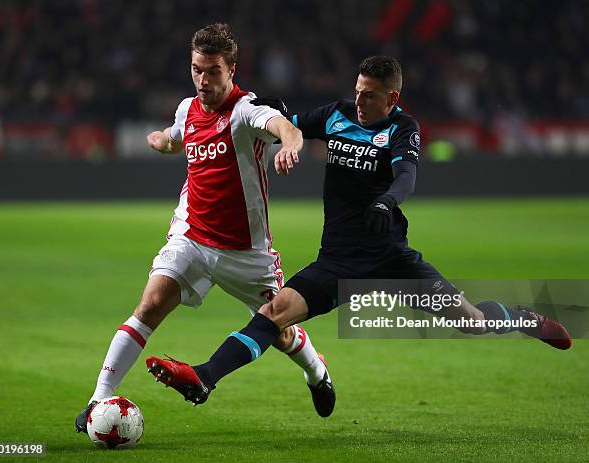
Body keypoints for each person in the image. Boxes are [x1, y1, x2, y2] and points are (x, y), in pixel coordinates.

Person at [143, 55, 573, 406]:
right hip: (338, 260)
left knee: (472, 321)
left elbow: (406, 176)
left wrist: (388, 200)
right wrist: (269, 109)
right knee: (273, 314)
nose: (360, 101)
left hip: (391, 261)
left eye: (369, 96)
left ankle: (520, 317)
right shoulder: (336, 116)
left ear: (393, 97)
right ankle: (204, 377)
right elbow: (289, 122)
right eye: (358, 92)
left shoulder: (403, 129)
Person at [75, 23, 336, 434]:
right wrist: (161, 139)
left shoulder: (246, 111)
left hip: (245, 252)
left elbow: (286, 127)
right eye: (197, 69)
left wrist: (290, 144)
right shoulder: (187, 108)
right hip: (192, 237)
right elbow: (177, 138)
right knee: (149, 306)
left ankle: (317, 372)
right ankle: (98, 398)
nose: (203, 80)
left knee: (281, 332)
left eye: (212, 71)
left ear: (232, 69)